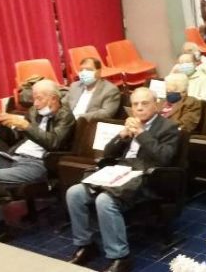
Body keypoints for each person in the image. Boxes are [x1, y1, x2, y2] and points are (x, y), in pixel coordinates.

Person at [67, 88, 180, 272]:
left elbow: (163, 158)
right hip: (120, 171)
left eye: (145, 103)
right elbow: (108, 153)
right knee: (74, 193)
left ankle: (120, 257)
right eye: (135, 104)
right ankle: (85, 245)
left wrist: (141, 133)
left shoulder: (168, 127)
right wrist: (122, 136)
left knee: (105, 200)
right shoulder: (129, 124)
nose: (139, 108)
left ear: (156, 105)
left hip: (146, 177)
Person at [0, 79, 75, 240]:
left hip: (37, 163)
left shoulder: (65, 116)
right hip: (14, 157)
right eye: (34, 98)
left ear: (53, 98)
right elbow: (13, 140)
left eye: (39, 98)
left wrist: (26, 126)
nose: (35, 103)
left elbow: (54, 142)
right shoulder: (33, 112)